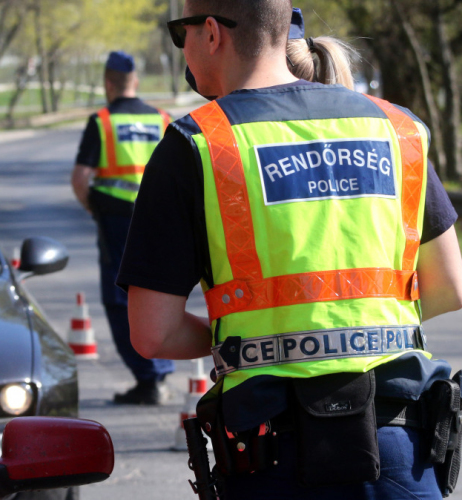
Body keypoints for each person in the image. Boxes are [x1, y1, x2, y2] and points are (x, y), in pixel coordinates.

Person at [118, 1, 462, 498]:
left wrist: (251, 343)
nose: (182, 47)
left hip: (272, 459)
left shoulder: (197, 144)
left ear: (211, 33)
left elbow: (153, 333)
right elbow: (449, 286)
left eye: (180, 32)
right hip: (401, 447)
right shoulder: (399, 129)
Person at [71, 51, 175, 405]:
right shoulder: (162, 119)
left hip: (117, 222)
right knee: (160, 290)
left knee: (120, 298)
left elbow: (80, 178)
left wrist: (92, 208)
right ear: (137, 82)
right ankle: (159, 370)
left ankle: (148, 376)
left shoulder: (101, 121)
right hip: (160, 221)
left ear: (108, 83)